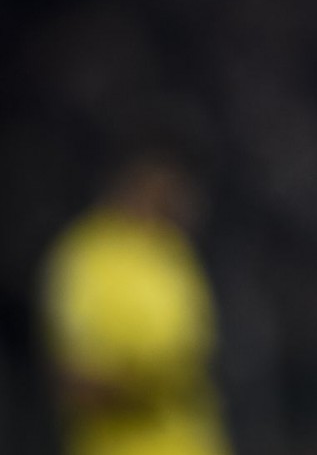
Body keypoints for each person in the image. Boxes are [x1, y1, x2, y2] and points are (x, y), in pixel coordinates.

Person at [40, 149, 231, 455]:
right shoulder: (88, 257)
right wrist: (150, 384)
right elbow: (77, 383)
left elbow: (197, 352)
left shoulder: (172, 251)